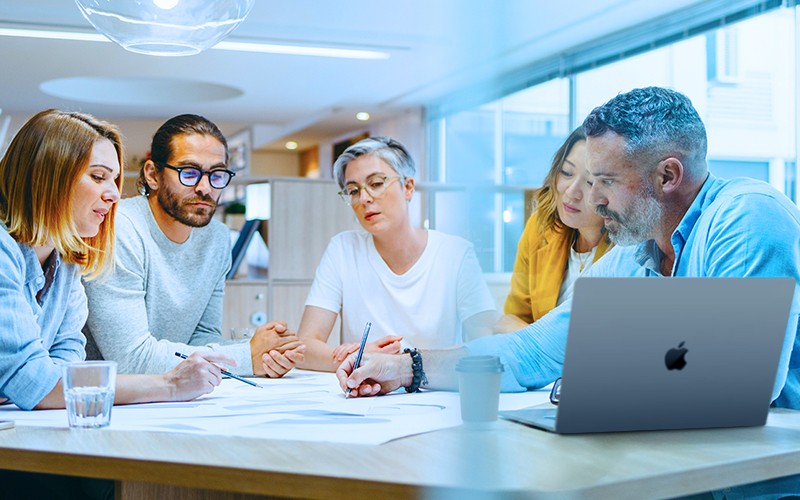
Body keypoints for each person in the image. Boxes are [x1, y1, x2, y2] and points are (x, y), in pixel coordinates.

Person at [336, 87, 800, 413]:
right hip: (680, 459)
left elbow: (739, 383)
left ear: (668, 176)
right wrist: (406, 368)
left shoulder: (747, 217)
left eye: (606, 182)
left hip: (756, 477)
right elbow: (531, 352)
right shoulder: (632, 256)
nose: (593, 200)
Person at [0, 109, 234, 410]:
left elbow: (67, 357)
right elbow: (34, 381)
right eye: (98, 177)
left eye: (114, 179)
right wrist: (171, 385)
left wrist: (46, 385)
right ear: (46, 177)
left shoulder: (68, 260)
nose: (113, 194)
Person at [83, 114, 304, 378]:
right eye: (189, 173)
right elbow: (132, 359)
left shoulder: (217, 239)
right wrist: (247, 356)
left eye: (217, 174)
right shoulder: (118, 229)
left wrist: (266, 353)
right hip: (109, 399)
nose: (205, 187)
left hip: (174, 395)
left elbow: (202, 336)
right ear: (153, 175)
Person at [296, 136, 497, 372]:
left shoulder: (456, 253)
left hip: (435, 396)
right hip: (363, 397)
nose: (364, 198)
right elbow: (304, 348)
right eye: (353, 190)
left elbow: (486, 347)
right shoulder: (343, 249)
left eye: (376, 183)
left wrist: (399, 365)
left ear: (408, 187)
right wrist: (363, 357)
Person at [497, 126, 613, 333]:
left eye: (589, 182)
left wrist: (530, 338)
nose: (571, 191)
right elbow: (512, 318)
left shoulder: (627, 251)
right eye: (566, 172)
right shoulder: (540, 229)